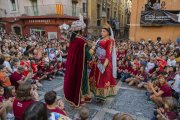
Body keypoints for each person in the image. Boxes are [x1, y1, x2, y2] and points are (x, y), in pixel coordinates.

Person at [64, 14, 95, 107]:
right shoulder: (81, 41)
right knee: (81, 80)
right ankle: (80, 98)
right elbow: (88, 56)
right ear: (80, 30)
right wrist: (93, 47)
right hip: (80, 65)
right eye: (83, 29)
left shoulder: (73, 39)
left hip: (74, 64)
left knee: (77, 80)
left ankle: (83, 96)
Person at [89, 19, 117, 100]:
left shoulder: (110, 41)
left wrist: (104, 66)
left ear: (108, 32)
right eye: (101, 31)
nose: (102, 32)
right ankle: (97, 94)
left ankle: (102, 96)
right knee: (96, 78)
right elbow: (95, 49)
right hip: (97, 61)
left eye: (104, 31)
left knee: (102, 80)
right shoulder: (100, 39)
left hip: (105, 63)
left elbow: (108, 54)